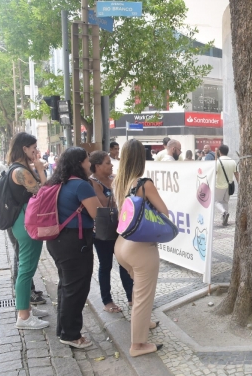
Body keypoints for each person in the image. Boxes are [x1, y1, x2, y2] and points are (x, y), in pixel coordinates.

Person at [113, 139, 166, 357]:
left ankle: (144, 324)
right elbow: (165, 212)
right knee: (143, 296)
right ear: (141, 158)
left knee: (138, 292)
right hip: (141, 247)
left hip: (121, 245)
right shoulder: (145, 184)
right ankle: (138, 345)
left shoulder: (119, 181)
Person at [45, 147, 102, 348]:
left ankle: (64, 329)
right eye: (87, 161)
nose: (89, 164)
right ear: (79, 163)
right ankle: (71, 335)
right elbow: (98, 214)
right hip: (74, 242)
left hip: (56, 240)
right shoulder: (81, 186)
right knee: (77, 288)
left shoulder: (57, 181)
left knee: (67, 285)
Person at [7, 133, 50, 330]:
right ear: (24, 148)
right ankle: (23, 316)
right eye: (33, 146)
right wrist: (40, 170)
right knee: (25, 269)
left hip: (28, 221)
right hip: (25, 223)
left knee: (29, 268)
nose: (36, 150)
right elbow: (42, 192)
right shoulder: (19, 171)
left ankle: (27, 309)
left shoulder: (22, 169)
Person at [89, 151, 133, 313]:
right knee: (105, 264)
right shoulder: (92, 183)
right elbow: (102, 205)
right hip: (103, 230)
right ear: (97, 166)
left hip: (120, 227)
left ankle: (131, 297)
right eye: (108, 162)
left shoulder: (115, 179)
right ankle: (107, 301)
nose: (112, 164)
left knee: (124, 262)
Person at [215, 145, 239, 226]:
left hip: (219, 185)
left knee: (216, 201)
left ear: (219, 151)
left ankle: (224, 212)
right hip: (229, 185)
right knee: (225, 202)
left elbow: (214, 173)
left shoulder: (218, 161)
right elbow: (236, 174)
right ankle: (225, 219)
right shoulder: (233, 161)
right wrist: (239, 183)